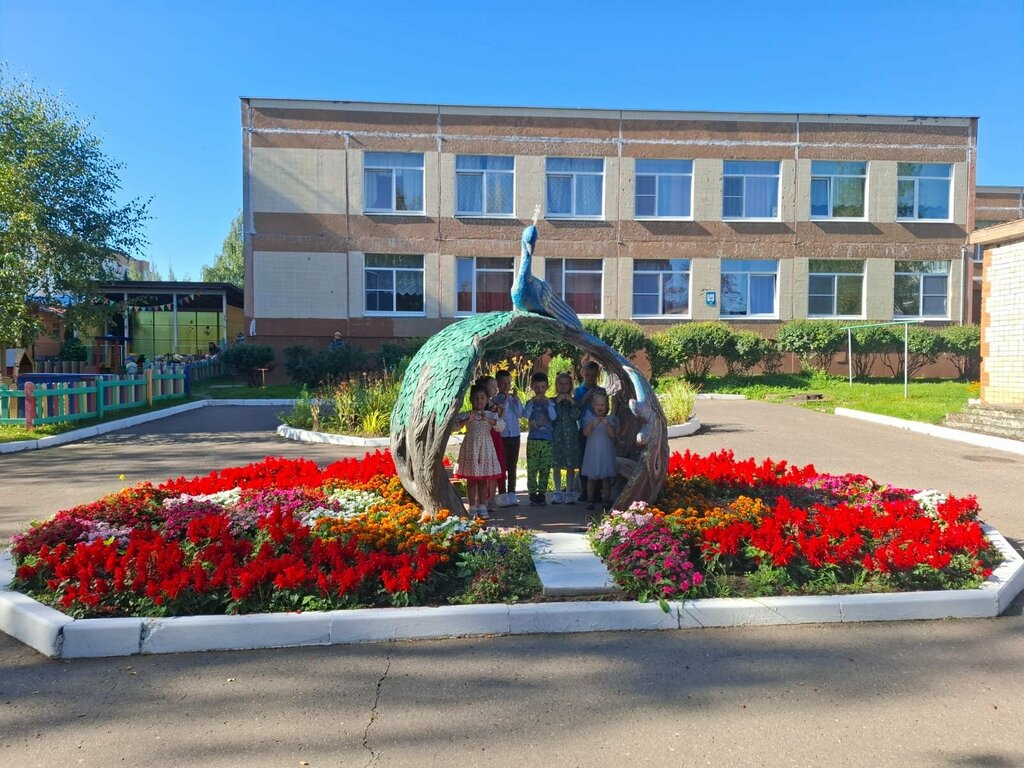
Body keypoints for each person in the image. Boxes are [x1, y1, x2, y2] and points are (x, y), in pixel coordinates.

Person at [454, 384, 505, 519]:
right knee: (471, 481)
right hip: (471, 448)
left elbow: (501, 427)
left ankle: (482, 505)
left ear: (487, 400)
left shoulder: (490, 415)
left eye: (482, 398)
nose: (479, 401)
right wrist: (466, 421)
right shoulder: (467, 415)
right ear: (471, 400)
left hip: (486, 449)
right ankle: (472, 507)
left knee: (483, 480)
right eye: (476, 398)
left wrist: (489, 420)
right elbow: (453, 426)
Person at [574, 360, 607, 503]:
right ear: (582, 373)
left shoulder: (602, 390)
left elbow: (607, 409)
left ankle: (598, 491)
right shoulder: (578, 391)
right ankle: (585, 491)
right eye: (587, 375)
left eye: (593, 376)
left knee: (598, 459)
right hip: (584, 429)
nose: (590, 378)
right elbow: (576, 410)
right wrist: (585, 399)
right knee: (584, 460)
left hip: (599, 430)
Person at [581, 390, 619, 512]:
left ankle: (606, 500)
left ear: (607, 406)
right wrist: (592, 424)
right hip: (593, 452)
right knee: (591, 477)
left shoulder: (611, 419)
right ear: (593, 406)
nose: (600, 407)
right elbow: (585, 433)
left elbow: (613, 435)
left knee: (606, 478)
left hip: (605, 452)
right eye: (597, 405)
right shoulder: (589, 418)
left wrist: (608, 425)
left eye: (602, 405)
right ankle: (590, 499)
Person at [523, 371, 556, 506]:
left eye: (542, 387)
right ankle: (532, 493)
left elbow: (553, 417)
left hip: (547, 440)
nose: (540, 390)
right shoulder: (530, 402)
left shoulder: (551, 402)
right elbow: (525, 415)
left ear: (547, 387)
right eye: (537, 387)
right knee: (532, 468)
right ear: (532, 387)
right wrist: (531, 403)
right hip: (533, 439)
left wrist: (548, 404)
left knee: (545, 468)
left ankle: (542, 493)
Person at [492, 369, 523, 507]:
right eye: (503, 383)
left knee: (513, 464)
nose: (506, 386)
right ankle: (502, 494)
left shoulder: (512, 398)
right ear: (498, 384)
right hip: (502, 436)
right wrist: (504, 403)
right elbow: (501, 419)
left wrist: (516, 401)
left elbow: (520, 414)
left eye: (508, 383)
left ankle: (512, 493)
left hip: (514, 435)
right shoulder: (494, 400)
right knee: (502, 465)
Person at [550, 372, 582, 505]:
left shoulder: (574, 402)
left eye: (566, 383)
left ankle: (569, 491)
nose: (564, 386)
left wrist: (572, 402)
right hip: (556, 436)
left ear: (570, 385)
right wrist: (556, 403)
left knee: (570, 464)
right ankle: (557, 491)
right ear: (557, 385)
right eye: (561, 384)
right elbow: (552, 417)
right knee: (556, 463)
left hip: (571, 436)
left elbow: (576, 416)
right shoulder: (551, 401)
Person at [475, 375, 505, 511]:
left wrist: (501, 412)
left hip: (494, 436)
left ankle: (491, 497)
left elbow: (500, 422)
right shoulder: (479, 404)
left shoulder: (496, 406)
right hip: (481, 438)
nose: (496, 389)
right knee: (479, 467)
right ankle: (480, 498)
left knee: (493, 467)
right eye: (492, 386)